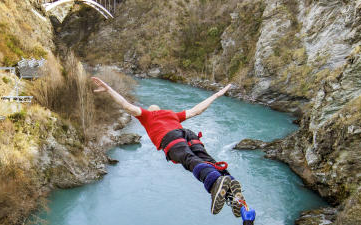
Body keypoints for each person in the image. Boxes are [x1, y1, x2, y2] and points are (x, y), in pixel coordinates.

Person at [91, 76, 247, 216]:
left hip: (170, 138)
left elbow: (127, 106)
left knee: (189, 159)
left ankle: (213, 181)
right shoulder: (172, 114)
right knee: (206, 159)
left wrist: (108, 89)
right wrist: (216, 95)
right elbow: (197, 110)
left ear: (151, 110)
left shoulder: (147, 115)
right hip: (188, 134)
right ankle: (232, 192)